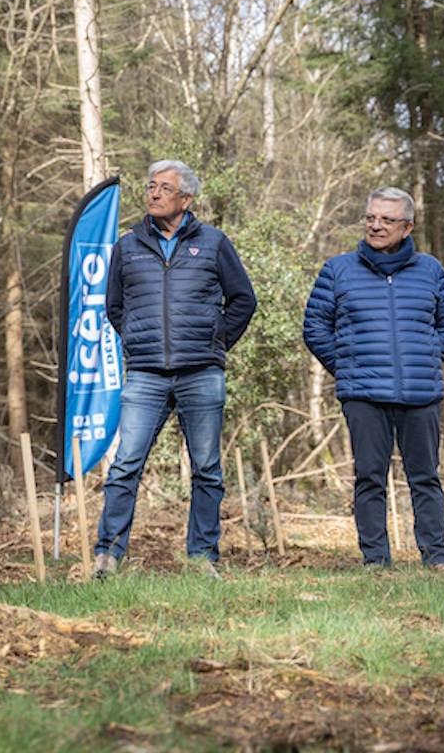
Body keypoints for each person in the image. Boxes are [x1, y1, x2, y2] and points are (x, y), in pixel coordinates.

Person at [92, 160, 257, 579]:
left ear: (186, 199)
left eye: (164, 188)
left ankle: (203, 558)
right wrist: (133, 336)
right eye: (150, 186)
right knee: (126, 463)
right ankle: (107, 556)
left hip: (201, 372)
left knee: (206, 468)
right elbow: (115, 305)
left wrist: (216, 342)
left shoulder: (215, 243)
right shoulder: (126, 246)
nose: (153, 193)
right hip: (145, 373)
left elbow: (243, 300)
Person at [303, 187, 444, 569]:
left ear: (407, 227)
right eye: (371, 218)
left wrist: (425, 358)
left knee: (425, 477)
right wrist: (346, 367)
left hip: (420, 392)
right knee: (369, 478)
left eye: (387, 220)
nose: (376, 226)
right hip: (363, 394)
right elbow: (315, 327)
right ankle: (376, 561)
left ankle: (436, 558)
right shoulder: (338, 269)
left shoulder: (430, 270)